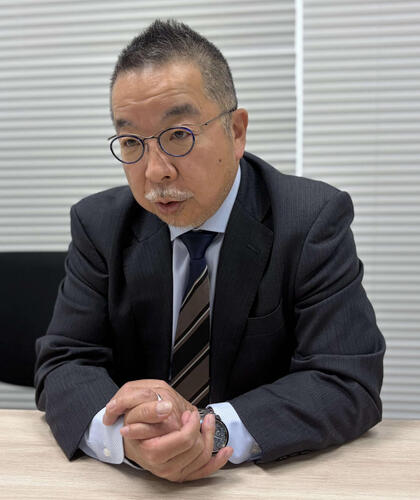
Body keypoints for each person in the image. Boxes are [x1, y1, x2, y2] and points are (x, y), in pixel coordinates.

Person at [34, 19, 385, 483]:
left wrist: (210, 432)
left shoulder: (310, 220)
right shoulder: (101, 225)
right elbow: (65, 361)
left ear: (236, 132)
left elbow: (346, 381)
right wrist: (124, 437)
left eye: (179, 134)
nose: (155, 172)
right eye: (132, 142)